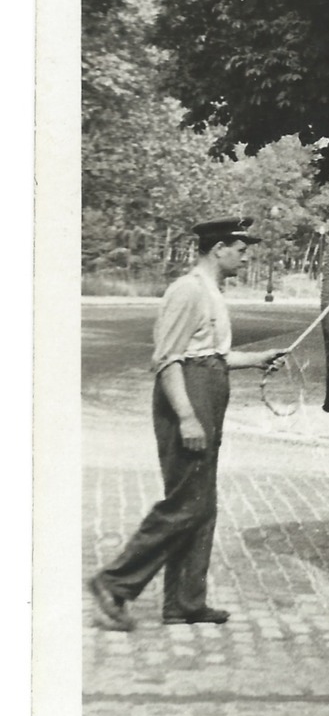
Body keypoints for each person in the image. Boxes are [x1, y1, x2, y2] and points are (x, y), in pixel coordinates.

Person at [87, 217, 287, 631]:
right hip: (189, 396)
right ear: (219, 249)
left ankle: (184, 602)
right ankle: (115, 583)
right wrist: (187, 417)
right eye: (240, 246)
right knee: (186, 503)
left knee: (203, 504)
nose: (245, 254)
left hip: (208, 388)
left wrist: (258, 357)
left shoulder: (211, 292)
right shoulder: (188, 291)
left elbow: (212, 355)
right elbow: (168, 359)